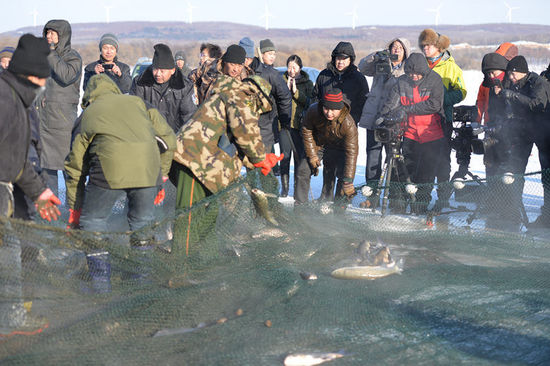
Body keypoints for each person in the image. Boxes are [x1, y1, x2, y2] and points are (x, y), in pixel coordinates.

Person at [65, 74, 176, 244]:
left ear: (88, 96)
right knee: (143, 225)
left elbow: (75, 167)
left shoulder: (88, 113)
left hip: (107, 173)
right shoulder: (140, 104)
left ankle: (99, 269)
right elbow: (168, 139)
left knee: (93, 221)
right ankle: (141, 269)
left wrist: (75, 210)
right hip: (147, 172)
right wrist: (161, 176)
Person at [0, 33, 62, 333]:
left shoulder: (17, 101)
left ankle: (12, 318)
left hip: (6, 190)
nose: (43, 87)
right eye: (41, 80)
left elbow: (15, 158)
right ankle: (11, 322)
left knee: (9, 253)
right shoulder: (4, 101)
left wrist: (40, 191)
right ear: (30, 77)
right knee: (8, 256)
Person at [377, 53, 447, 214]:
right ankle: (406, 200)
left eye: (417, 73)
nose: (414, 76)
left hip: (432, 134)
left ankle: (421, 203)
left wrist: (408, 109)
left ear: (424, 71)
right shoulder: (402, 82)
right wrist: (383, 117)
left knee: (427, 173)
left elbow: (434, 105)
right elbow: (392, 103)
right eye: (411, 73)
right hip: (410, 133)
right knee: (409, 170)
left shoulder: (434, 80)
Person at [494, 56, 550, 227]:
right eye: (509, 74)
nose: (510, 77)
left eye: (512, 74)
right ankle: (512, 209)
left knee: (546, 176)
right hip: (523, 131)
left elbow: (538, 104)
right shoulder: (514, 84)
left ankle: (547, 215)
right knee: (515, 170)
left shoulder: (538, 82)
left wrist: (513, 95)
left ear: (521, 71)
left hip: (543, 132)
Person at [358, 37, 410, 207]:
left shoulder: (407, 70)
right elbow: (362, 67)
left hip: (392, 121)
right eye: (393, 47)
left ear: (405, 52)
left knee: (393, 158)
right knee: (373, 157)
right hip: (374, 116)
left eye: (399, 48)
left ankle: (394, 197)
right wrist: (375, 56)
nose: (396, 50)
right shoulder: (380, 64)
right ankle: (371, 196)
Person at [419, 29, 466, 210]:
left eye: (429, 45)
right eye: (423, 45)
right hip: (421, 121)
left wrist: (441, 100)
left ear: (438, 47)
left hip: (442, 119)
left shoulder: (450, 67)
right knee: (424, 160)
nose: (425, 49)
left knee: (442, 161)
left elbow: (461, 91)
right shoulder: (421, 65)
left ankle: (443, 198)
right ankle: (422, 197)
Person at [39, 19, 82, 197]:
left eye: (53, 33)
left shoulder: (73, 57)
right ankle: (51, 214)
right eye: (47, 33)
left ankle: (74, 212)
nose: (49, 37)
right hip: (44, 120)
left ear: (62, 35)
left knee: (69, 169)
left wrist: (50, 54)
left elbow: (66, 75)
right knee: (46, 169)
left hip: (63, 122)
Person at [300, 88, 358, 205]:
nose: (329, 113)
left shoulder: (349, 124)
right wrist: (312, 155)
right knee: (303, 169)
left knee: (343, 179)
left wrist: (348, 180)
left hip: (340, 148)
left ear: (340, 109)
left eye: (334, 110)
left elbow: (351, 153)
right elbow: (306, 130)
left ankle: (339, 209)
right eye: (326, 108)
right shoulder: (314, 111)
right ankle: (300, 205)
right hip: (319, 144)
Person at [131, 43, 197, 133]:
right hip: (147, 136)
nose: (158, 74)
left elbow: (189, 117)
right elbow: (134, 113)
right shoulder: (140, 83)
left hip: (175, 137)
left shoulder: (184, 86)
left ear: (172, 71)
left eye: (162, 71)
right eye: (155, 69)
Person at [249, 39, 292, 164]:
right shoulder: (253, 71)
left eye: (274, 54)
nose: (272, 57)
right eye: (269, 54)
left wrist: (284, 120)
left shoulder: (273, 73)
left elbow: (284, 97)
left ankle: (273, 173)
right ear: (261, 54)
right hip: (255, 121)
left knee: (268, 151)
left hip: (269, 119)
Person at [279, 54, 314, 198]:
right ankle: (285, 188)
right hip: (285, 126)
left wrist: (295, 93)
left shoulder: (307, 83)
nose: (291, 70)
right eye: (289, 67)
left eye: (294, 67)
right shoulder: (281, 81)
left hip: (299, 126)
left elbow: (310, 103)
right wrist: (286, 92)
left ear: (300, 68)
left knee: (299, 159)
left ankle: (296, 189)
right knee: (284, 157)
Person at [314, 41, 369, 125]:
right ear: (334, 58)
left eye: (344, 59)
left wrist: (353, 119)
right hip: (324, 124)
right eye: (338, 58)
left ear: (350, 60)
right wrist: (319, 116)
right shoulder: (324, 75)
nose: (340, 62)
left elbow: (363, 102)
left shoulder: (358, 78)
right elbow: (315, 97)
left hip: (348, 124)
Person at [476, 42, 518, 124]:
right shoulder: (486, 83)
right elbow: (480, 104)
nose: (491, 76)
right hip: (489, 124)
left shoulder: (515, 82)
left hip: (509, 127)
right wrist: (476, 122)